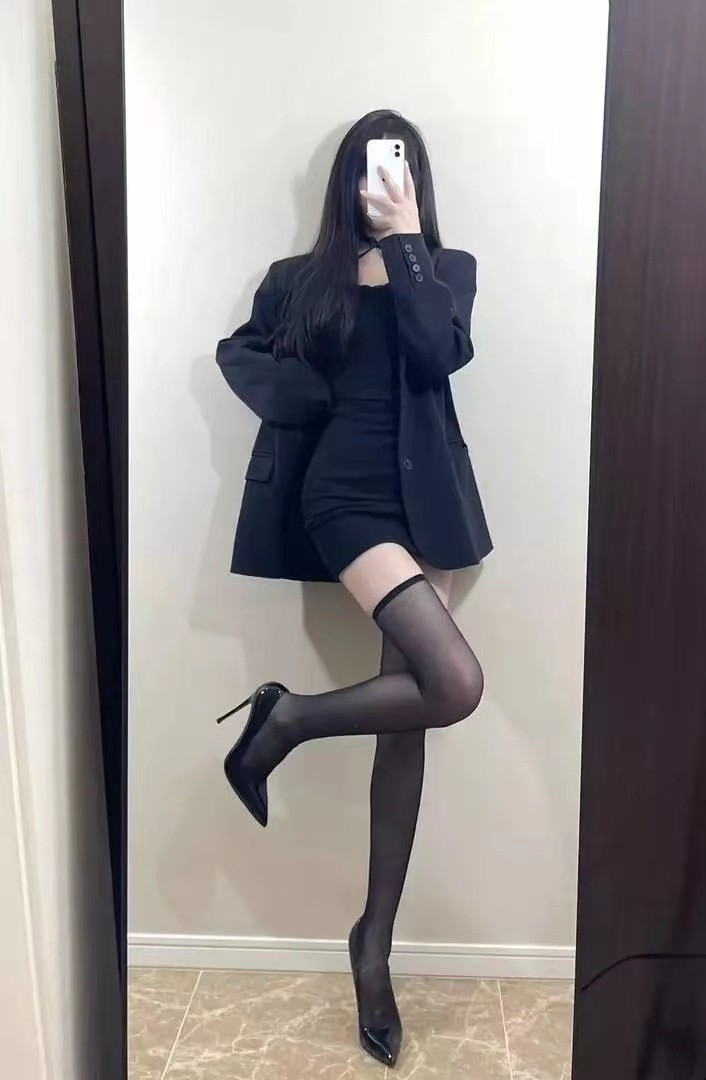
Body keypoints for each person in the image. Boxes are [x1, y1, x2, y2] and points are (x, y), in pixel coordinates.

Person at [215, 109, 492, 1069]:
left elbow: (440, 352)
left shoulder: (444, 268)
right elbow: (241, 352)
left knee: (410, 722)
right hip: (345, 499)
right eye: (373, 165)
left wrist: (407, 241)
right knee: (454, 682)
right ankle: (284, 719)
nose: (385, 176)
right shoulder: (301, 278)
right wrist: (312, 398)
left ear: (416, 177)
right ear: (348, 177)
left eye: (400, 163)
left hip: (428, 503)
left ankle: (373, 948)